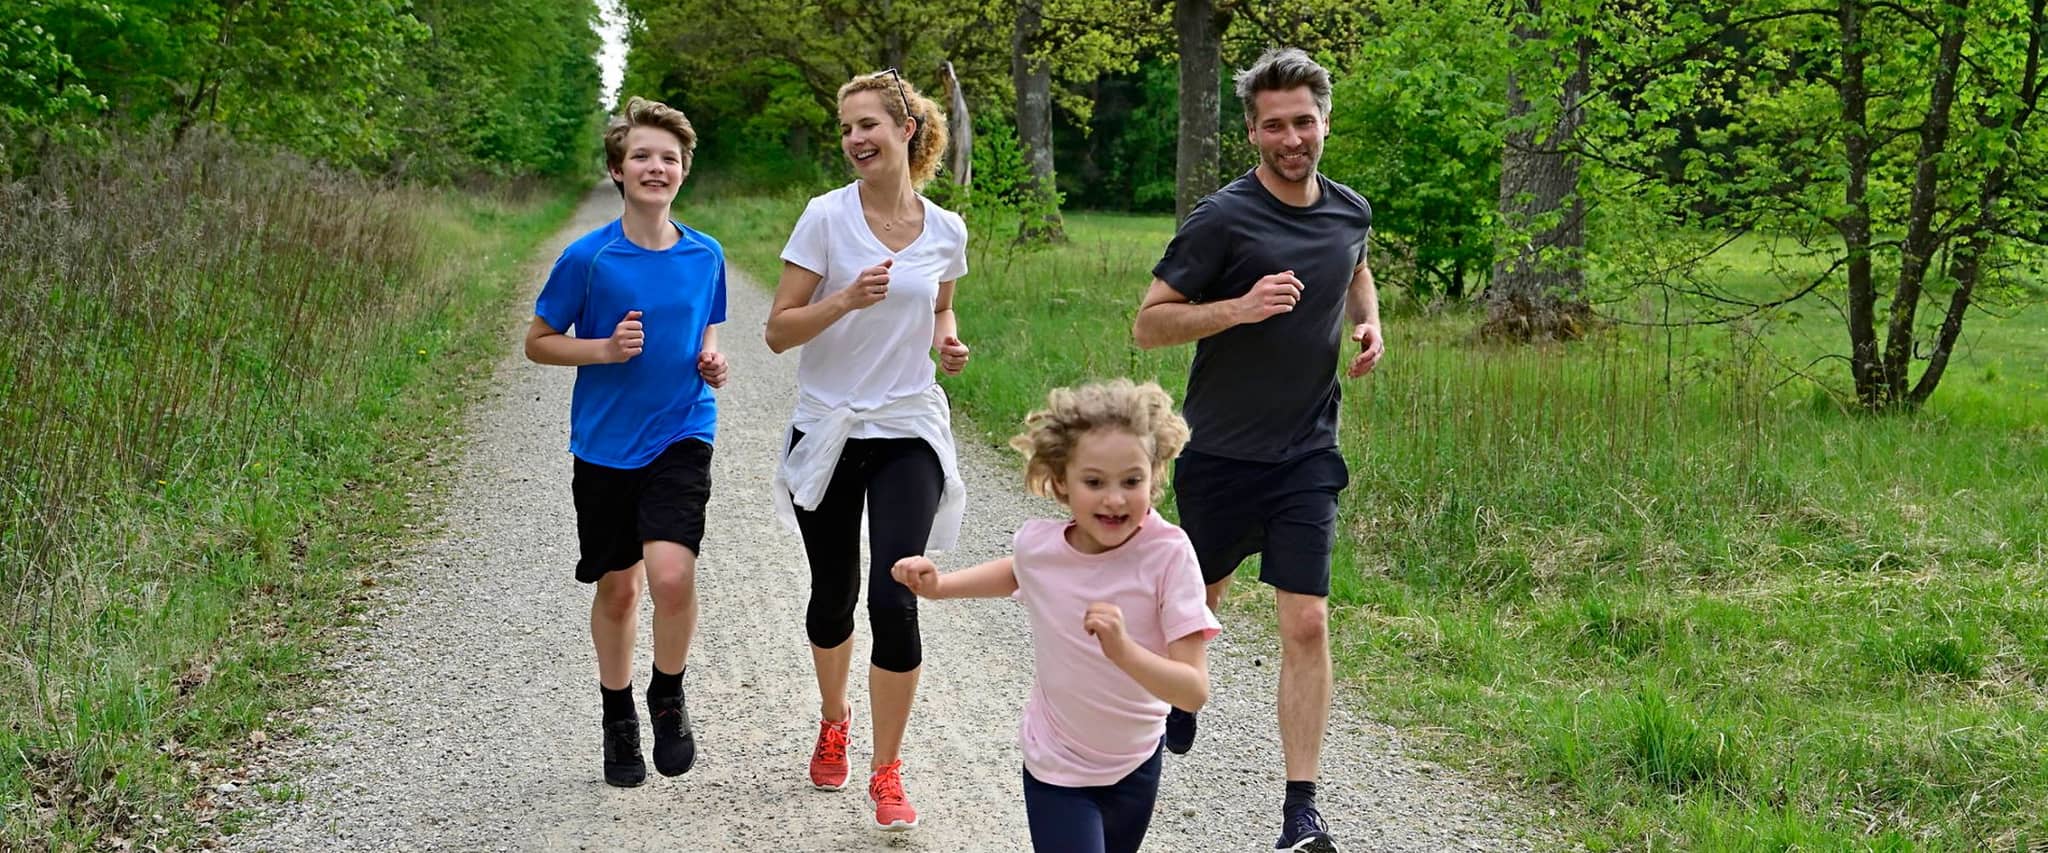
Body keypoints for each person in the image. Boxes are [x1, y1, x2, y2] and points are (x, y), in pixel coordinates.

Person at [1130, 47, 1383, 853]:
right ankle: (1176, 691)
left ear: (1325, 122)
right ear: (1252, 131)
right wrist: (1236, 308)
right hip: (1222, 452)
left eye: (1303, 121)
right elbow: (1150, 322)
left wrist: (1370, 323)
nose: (1291, 137)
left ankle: (1299, 809)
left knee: (1306, 621)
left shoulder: (1351, 210)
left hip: (1308, 453)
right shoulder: (1223, 218)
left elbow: (1356, 269)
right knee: (1200, 601)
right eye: (1274, 125)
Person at [764, 67, 971, 832]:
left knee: (895, 595)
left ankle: (887, 771)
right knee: (832, 595)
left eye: (868, 125)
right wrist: (844, 298)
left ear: (906, 129)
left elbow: (942, 306)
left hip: (908, 427)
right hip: (829, 427)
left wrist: (948, 343)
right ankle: (832, 718)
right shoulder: (824, 218)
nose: (854, 138)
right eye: (846, 127)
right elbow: (778, 330)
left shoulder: (946, 229)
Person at [891, 379, 1218, 853]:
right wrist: (940, 587)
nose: (1114, 499)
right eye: (1094, 482)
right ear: (1062, 481)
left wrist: (1123, 651)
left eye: (1132, 481)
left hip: (1136, 762)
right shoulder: (1040, 545)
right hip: (1056, 764)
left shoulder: (1169, 556)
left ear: (1155, 474)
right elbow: (1017, 572)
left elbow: (1193, 689)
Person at [523, 96, 729, 788]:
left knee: (672, 574)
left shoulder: (707, 255)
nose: (655, 166)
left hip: (682, 430)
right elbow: (538, 343)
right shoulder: (589, 259)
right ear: (617, 169)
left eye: (668, 157)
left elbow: (709, 327)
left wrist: (712, 359)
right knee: (619, 590)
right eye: (641, 155)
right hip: (606, 446)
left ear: (683, 171)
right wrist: (605, 350)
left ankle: (666, 694)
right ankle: (617, 715)